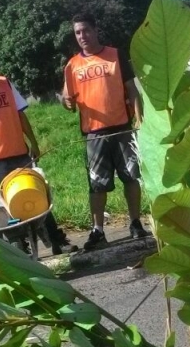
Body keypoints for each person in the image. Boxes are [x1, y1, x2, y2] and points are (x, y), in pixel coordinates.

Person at [0, 44, 76, 255]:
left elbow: (21, 115)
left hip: (19, 154)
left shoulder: (4, 83)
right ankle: (20, 249)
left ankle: (56, 241)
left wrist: (34, 144)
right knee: (5, 209)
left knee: (37, 197)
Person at [61, 13, 148, 251]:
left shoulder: (115, 55)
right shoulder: (72, 65)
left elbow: (132, 90)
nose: (82, 36)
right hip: (94, 134)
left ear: (96, 30)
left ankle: (135, 223)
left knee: (131, 176)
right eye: (78, 32)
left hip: (122, 128)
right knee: (97, 184)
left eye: (86, 30)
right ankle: (98, 230)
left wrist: (139, 119)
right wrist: (66, 102)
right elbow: (67, 99)